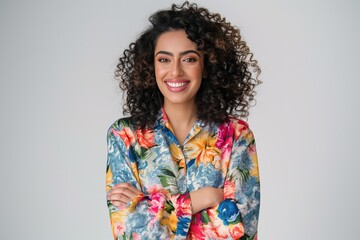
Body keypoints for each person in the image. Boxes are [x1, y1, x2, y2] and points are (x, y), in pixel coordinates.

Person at [106, 1, 261, 239]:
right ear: (151, 67)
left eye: (188, 59)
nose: (176, 71)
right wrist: (204, 199)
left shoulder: (236, 135)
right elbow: (128, 229)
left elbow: (241, 231)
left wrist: (153, 209)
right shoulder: (125, 136)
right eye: (164, 59)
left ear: (206, 66)